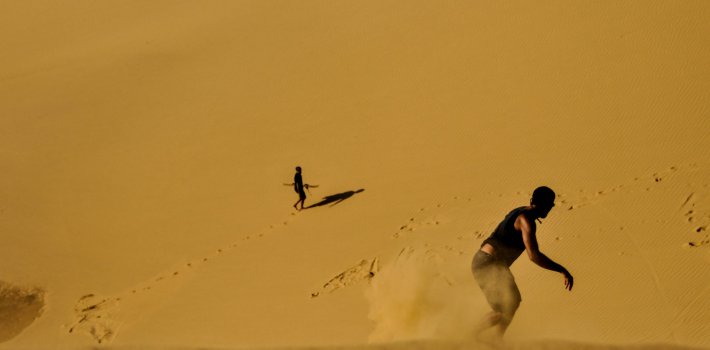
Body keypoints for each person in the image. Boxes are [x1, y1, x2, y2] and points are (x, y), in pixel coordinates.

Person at [471, 186, 574, 343]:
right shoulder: (526, 222)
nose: (551, 208)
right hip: (489, 263)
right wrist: (562, 270)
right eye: (550, 205)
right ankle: (470, 335)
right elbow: (533, 255)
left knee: (511, 303)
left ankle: (495, 339)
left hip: (488, 261)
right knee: (503, 309)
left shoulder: (520, 211)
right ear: (544, 205)